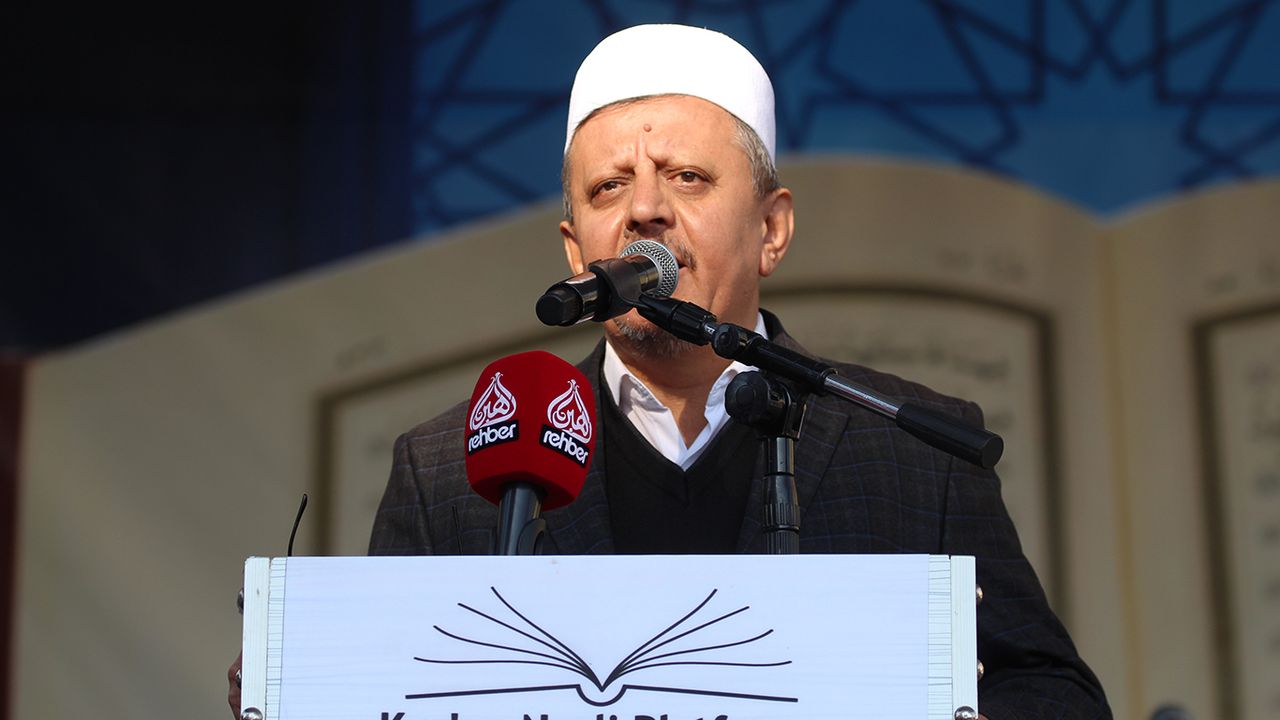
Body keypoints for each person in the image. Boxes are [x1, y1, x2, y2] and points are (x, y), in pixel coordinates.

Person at [231, 24, 1111, 719]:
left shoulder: (913, 450)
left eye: (687, 177)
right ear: (576, 250)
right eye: (608, 189)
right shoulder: (445, 470)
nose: (645, 208)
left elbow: (1054, 693)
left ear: (771, 229)